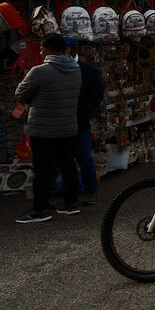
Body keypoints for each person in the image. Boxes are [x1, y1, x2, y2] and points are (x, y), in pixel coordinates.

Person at [14, 33, 82, 223]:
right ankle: (71, 203)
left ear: (51, 49)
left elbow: (20, 94)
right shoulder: (75, 69)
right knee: (67, 165)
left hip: (43, 129)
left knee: (43, 170)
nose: (42, 52)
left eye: (43, 48)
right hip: (67, 127)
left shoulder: (40, 71)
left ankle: (41, 208)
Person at [64, 37, 103, 205]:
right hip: (60, 122)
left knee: (83, 158)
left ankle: (89, 189)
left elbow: (96, 95)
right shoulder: (52, 69)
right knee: (62, 159)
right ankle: (65, 190)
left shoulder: (88, 70)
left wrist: (84, 112)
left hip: (79, 122)